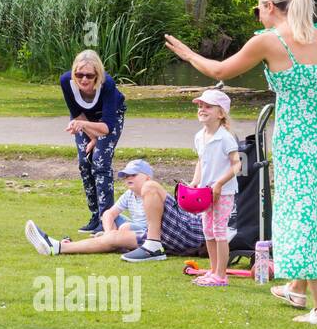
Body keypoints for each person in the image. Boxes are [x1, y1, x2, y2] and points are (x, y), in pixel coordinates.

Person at [165, 0, 317, 326]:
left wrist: (189, 55)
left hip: (297, 134)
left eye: (257, 9)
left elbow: (220, 72)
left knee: (300, 211)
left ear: (268, 6)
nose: (258, 16)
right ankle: (295, 289)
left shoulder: (270, 40)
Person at [24, 159, 204, 257]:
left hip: (189, 230)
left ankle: (153, 244)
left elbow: (206, 160)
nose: (128, 179)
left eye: (133, 175)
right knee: (116, 237)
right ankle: (57, 247)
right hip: (166, 240)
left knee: (128, 222)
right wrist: (110, 232)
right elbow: (109, 214)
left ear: (147, 176)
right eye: (125, 176)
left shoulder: (151, 187)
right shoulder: (129, 195)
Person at [60, 49, 126, 234]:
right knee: (84, 162)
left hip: (109, 119)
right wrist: (92, 137)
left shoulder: (107, 84)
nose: (84, 80)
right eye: (79, 75)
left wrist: (93, 134)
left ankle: (106, 218)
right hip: (83, 118)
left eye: (89, 75)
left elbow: (107, 127)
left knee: (100, 163)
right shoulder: (66, 81)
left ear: (97, 74)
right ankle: (95, 215)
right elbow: (76, 111)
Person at [187, 89, 241, 288]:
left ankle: (221, 274)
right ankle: (212, 270)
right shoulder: (199, 136)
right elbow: (202, 161)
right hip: (204, 193)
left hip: (224, 193)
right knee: (207, 230)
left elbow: (237, 164)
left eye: (208, 106)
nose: (202, 109)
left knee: (219, 231)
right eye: (200, 106)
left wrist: (219, 183)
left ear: (221, 113)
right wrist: (195, 181)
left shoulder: (225, 138)